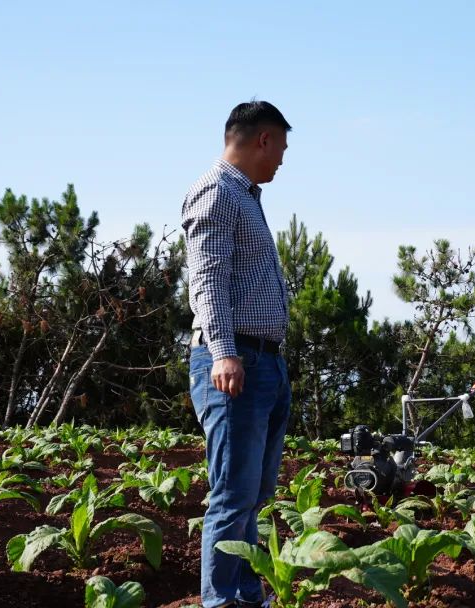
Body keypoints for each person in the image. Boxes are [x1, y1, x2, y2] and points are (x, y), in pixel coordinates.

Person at [182, 101, 292, 608]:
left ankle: (247, 595)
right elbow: (207, 281)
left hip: (265, 360)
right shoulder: (217, 192)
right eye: (282, 149)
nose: (282, 162)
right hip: (235, 361)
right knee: (232, 494)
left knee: (254, 493)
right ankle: (221, 601)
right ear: (262, 140)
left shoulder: (248, 196)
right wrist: (225, 354)